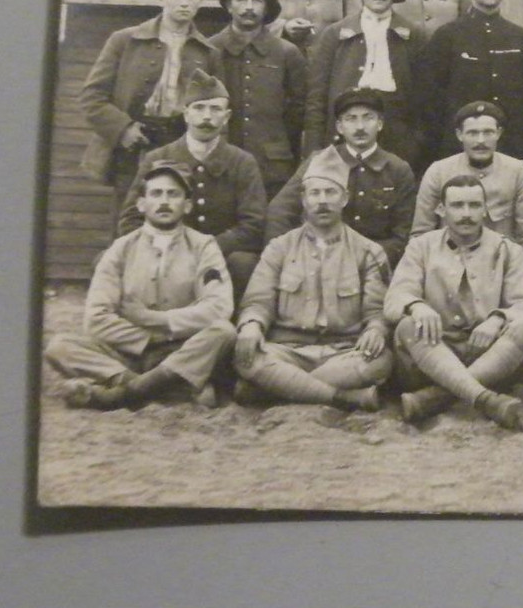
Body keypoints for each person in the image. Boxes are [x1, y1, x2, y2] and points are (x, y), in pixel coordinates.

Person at [46, 161, 235, 410]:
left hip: (181, 349)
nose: (164, 201)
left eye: (173, 194)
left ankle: (121, 395)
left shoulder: (203, 246)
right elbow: (96, 319)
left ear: (187, 205)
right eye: (156, 193)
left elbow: (220, 307)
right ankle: (162, 388)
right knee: (60, 346)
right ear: (141, 204)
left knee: (224, 331)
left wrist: (159, 320)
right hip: (129, 353)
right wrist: (149, 338)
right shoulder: (121, 249)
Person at [232, 149, 393, 412]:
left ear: (345, 199)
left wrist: (375, 329)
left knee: (381, 360)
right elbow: (257, 301)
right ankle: (343, 398)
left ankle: (277, 389)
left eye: (331, 193)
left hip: (344, 352)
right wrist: (251, 325)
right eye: (315, 193)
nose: (322, 201)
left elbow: (377, 311)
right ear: (304, 200)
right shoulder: (279, 248)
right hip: (287, 351)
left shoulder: (369, 251)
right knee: (247, 357)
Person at [384, 174, 523, 430]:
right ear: (441, 210)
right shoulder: (420, 247)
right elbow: (394, 300)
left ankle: (436, 397)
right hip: (433, 354)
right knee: (406, 326)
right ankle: (484, 398)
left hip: (490, 356)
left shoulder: (509, 251)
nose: (466, 213)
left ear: (485, 209)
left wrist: (498, 318)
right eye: (457, 206)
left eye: (474, 205)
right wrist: (417, 306)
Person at [79, 0, 222, 208]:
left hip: (179, 144)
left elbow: (216, 107)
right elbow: (91, 97)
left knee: (175, 213)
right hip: (134, 145)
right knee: (129, 217)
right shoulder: (125, 40)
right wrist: (123, 129)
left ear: (201, 1)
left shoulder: (208, 52)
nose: (184, 2)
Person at [116, 69, 267, 298]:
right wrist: (164, 247)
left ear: (226, 117)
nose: (206, 117)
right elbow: (131, 219)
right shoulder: (157, 158)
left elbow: (253, 224)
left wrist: (208, 249)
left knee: (244, 263)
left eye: (215, 109)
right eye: (199, 108)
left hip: (221, 256)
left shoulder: (242, 162)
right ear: (186, 114)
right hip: (164, 251)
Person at [267, 87, 416, 270]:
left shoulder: (398, 170)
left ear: (380, 123)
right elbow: (280, 211)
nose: (360, 127)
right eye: (351, 119)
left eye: (368, 117)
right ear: (339, 127)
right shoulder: (319, 161)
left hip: (374, 265)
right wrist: (289, 256)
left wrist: (365, 259)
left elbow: (403, 235)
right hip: (317, 260)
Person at [413, 101, 523, 286]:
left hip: (503, 273)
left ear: (499, 133)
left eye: (488, 132)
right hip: (448, 274)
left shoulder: (518, 171)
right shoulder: (438, 172)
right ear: (459, 135)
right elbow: (420, 235)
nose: (480, 141)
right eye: (472, 133)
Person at [304, 0, 424, 167]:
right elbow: (317, 97)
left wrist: (416, 144)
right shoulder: (335, 34)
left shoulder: (413, 35)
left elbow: (423, 100)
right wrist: (315, 148)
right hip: (343, 138)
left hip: (396, 140)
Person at [419, 0, 523, 164]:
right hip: (457, 147)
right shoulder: (447, 36)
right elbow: (430, 98)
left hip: (511, 146)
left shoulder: (520, 37)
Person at [208, 0, 307, 196]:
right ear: (229, 6)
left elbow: (299, 110)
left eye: (257, 0)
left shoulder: (287, 53)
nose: (249, 7)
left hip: (273, 166)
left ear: (267, 7)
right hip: (221, 162)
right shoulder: (211, 50)